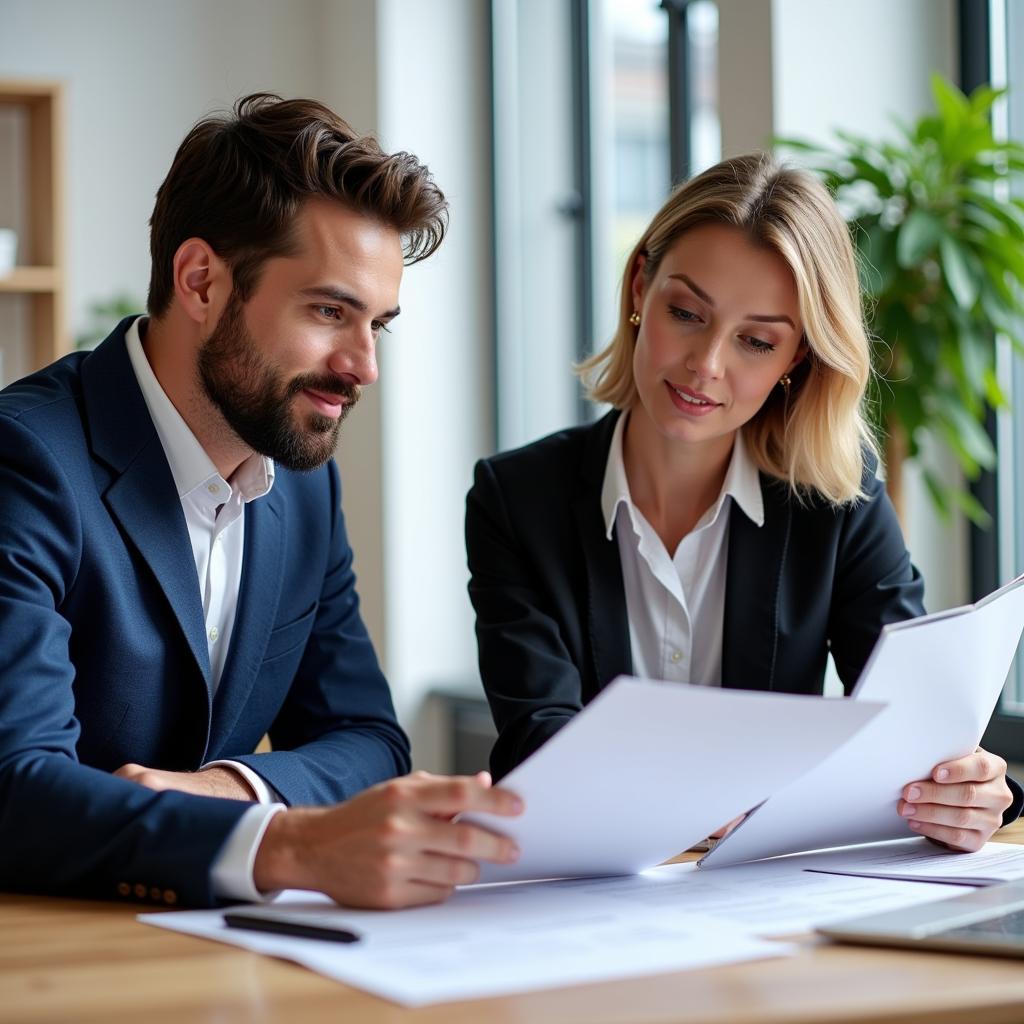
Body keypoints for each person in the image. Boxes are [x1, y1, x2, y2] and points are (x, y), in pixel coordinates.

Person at [0, 94, 522, 911]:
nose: (362, 366)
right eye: (328, 311)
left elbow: (369, 742)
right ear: (201, 281)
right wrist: (289, 844)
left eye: (376, 325)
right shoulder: (24, 460)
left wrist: (231, 791)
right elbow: (14, 789)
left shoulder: (304, 483)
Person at [466, 152, 1021, 853]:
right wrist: (690, 796)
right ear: (641, 285)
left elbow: (908, 733)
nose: (708, 365)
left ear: (797, 360)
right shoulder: (517, 499)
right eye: (687, 313)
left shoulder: (837, 502)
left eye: (757, 340)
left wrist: (967, 792)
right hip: (581, 887)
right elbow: (536, 747)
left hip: (765, 901)